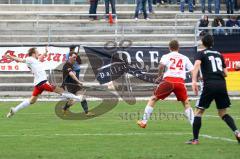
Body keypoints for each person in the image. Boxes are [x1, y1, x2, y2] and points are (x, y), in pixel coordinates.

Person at [186, 34, 240, 144]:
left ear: (202, 43)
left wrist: (194, 81)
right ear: (213, 43)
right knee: (223, 113)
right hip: (221, 84)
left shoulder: (201, 53)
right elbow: (225, 73)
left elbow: (196, 65)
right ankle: (237, 132)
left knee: (198, 112)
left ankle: (195, 139)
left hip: (209, 85)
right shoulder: (219, 54)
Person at [5, 47, 83, 118]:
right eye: (37, 52)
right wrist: (11, 57)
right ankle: (77, 98)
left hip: (38, 85)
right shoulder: (29, 59)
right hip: (42, 83)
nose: (38, 54)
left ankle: (15, 110)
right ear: (33, 54)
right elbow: (21, 60)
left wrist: (45, 53)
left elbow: (40, 57)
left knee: (32, 100)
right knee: (60, 91)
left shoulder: (34, 60)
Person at [137, 40, 194, 128]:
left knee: (153, 99)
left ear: (169, 48)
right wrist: (193, 80)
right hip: (180, 82)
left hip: (168, 81)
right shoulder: (184, 57)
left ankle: (144, 122)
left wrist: (159, 76)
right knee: (186, 103)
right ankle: (194, 124)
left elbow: (161, 66)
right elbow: (192, 70)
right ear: (178, 48)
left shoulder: (166, 56)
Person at [62, 52, 94, 116]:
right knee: (72, 101)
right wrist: (79, 82)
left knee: (82, 97)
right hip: (70, 86)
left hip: (75, 85)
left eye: (75, 57)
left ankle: (87, 112)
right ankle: (65, 108)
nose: (75, 58)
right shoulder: (67, 65)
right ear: (69, 57)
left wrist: (77, 83)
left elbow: (74, 75)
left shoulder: (72, 65)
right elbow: (71, 74)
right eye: (74, 57)